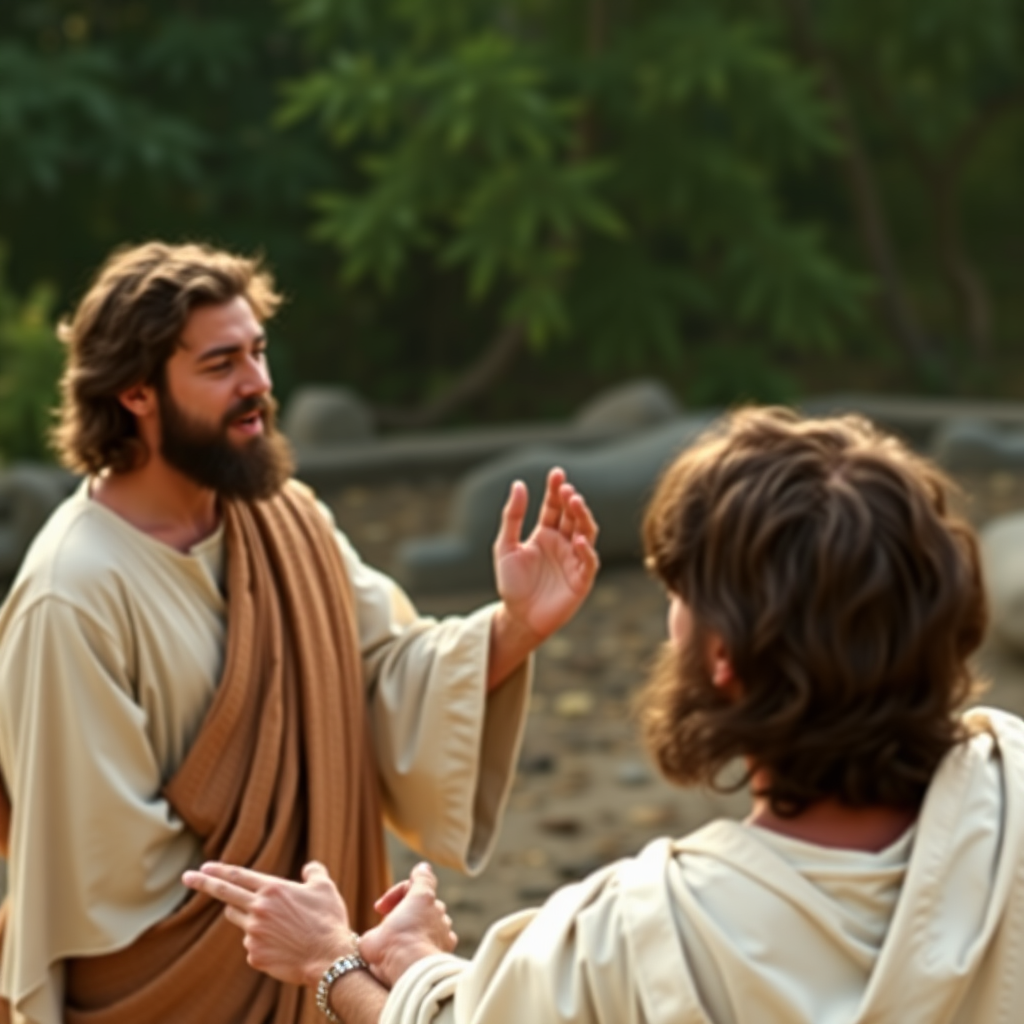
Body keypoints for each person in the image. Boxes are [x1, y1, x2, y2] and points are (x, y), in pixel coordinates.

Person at [187, 407, 1024, 1024]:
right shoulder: (1013, 794)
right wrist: (421, 966)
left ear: (724, 661)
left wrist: (332, 962)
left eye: (679, 602)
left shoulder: (636, 933)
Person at [0, 242, 600, 1024]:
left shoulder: (285, 521)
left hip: (319, 972)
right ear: (134, 392)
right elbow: (95, 878)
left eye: (258, 352)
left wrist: (516, 627)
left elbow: (389, 673)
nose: (258, 384)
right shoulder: (70, 596)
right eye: (221, 366)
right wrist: (321, 949)